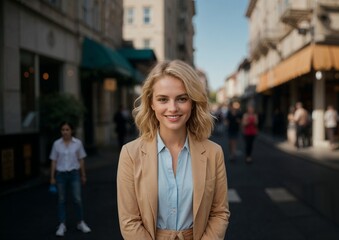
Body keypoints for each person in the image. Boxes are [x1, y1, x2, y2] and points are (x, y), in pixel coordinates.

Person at [116, 60, 230, 240]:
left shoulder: (213, 152)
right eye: (163, 99)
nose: (173, 108)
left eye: (182, 99)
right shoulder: (130, 153)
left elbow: (219, 213)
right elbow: (129, 221)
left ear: (192, 103)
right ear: (151, 103)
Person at [49, 121, 91, 237]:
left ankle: (80, 222)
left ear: (71, 131)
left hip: (74, 174)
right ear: (60, 131)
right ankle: (62, 224)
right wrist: (52, 177)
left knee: (77, 199)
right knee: (61, 200)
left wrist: (83, 175)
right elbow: (54, 161)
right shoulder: (56, 144)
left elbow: (81, 159)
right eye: (63, 130)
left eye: (67, 129)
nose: (65, 132)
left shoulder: (77, 143)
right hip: (61, 175)